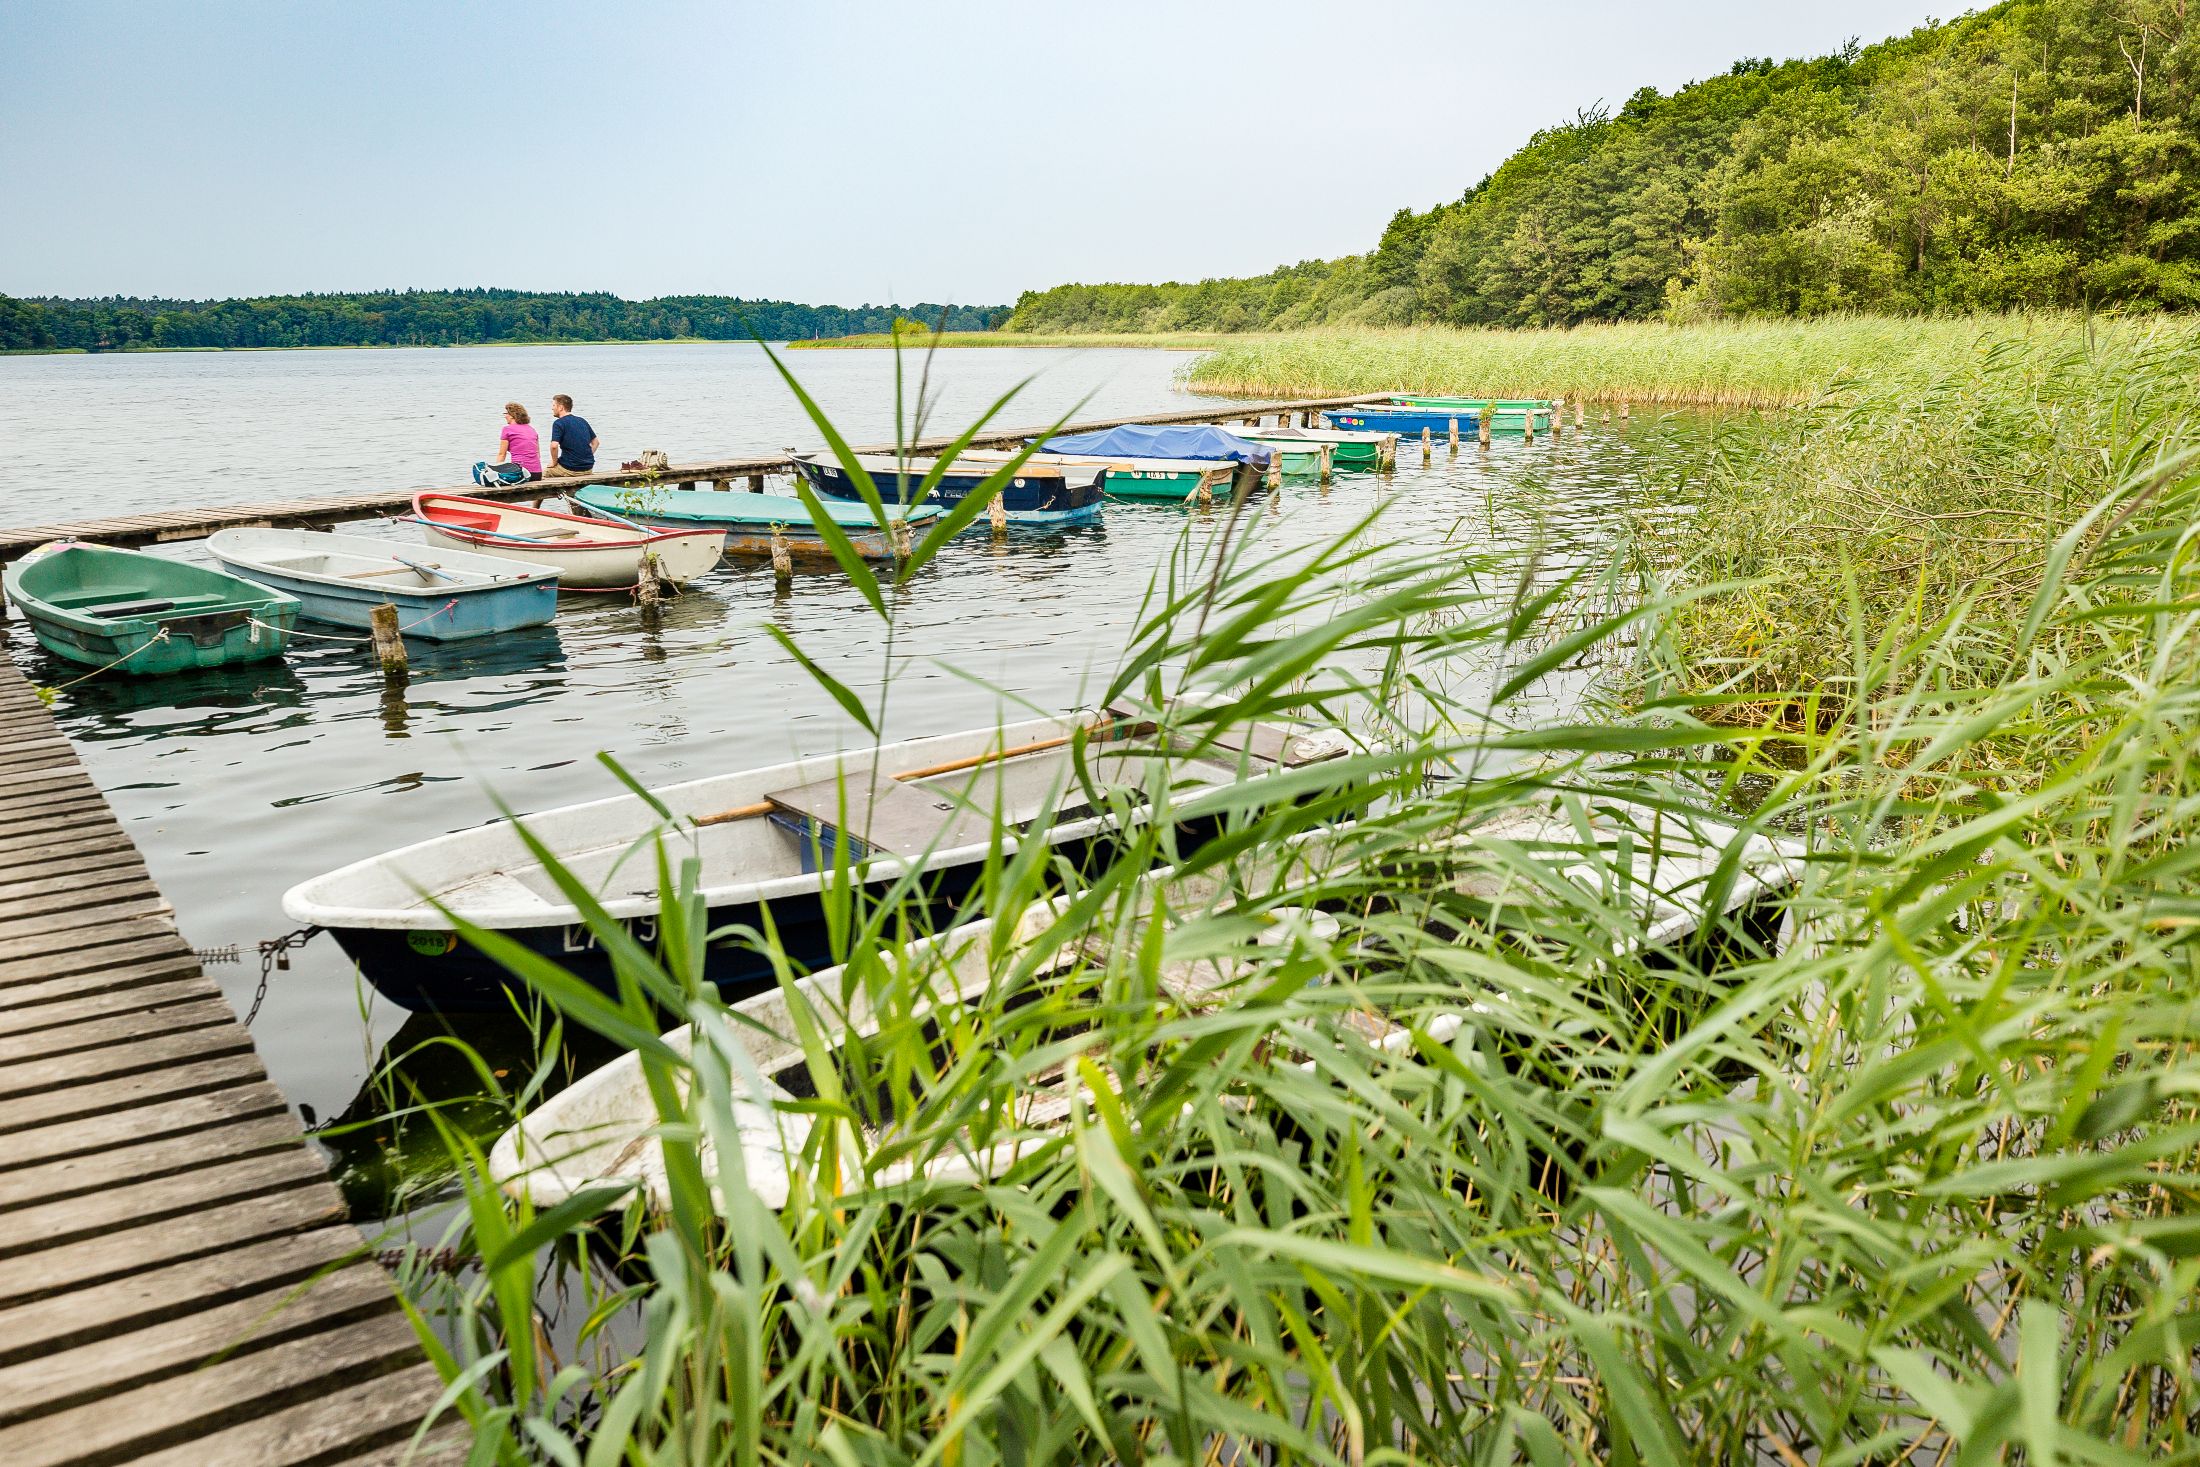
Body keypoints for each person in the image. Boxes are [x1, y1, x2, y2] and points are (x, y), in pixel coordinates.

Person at [480, 401, 541, 484]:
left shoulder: (507, 429)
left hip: (520, 474)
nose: (505, 416)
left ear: (512, 415)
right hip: (537, 473)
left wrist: (495, 473)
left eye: (506, 413)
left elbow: (502, 454)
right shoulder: (532, 429)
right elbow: (538, 454)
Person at [546, 393, 599, 477]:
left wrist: (554, 462)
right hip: (588, 468)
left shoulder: (558, 423)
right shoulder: (582, 420)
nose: (552, 408)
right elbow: (596, 442)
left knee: (544, 473)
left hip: (570, 469)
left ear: (560, 407)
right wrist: (586, 457)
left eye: (554, 405)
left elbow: (554, 446)